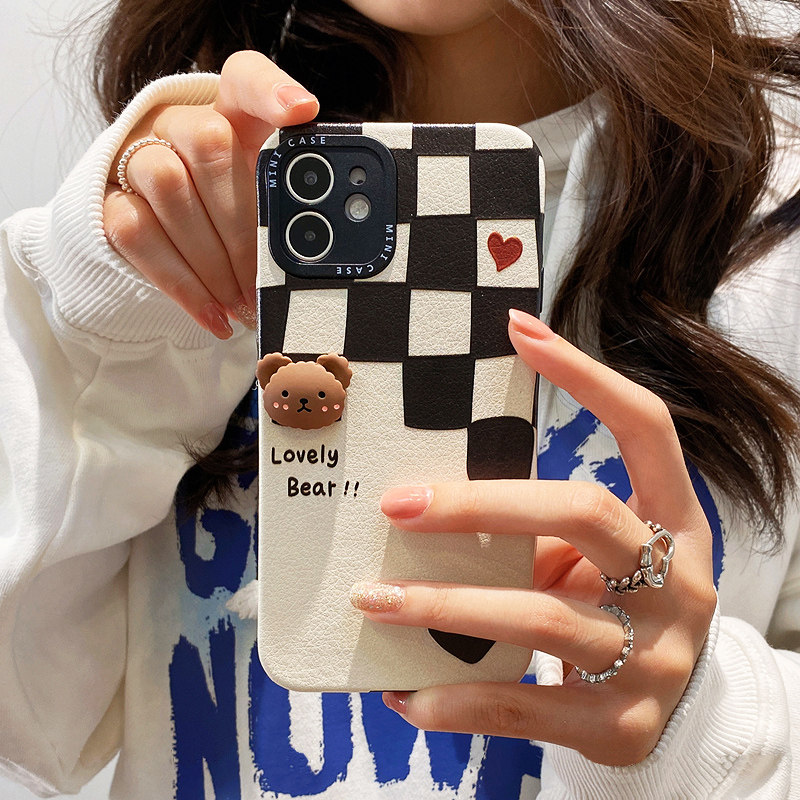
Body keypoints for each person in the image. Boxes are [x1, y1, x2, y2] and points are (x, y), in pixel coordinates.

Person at [1, 0, 799, 797]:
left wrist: (705, 718)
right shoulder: (183, 200)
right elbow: (26, 735)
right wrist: (98, 318)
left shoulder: (776, 231)